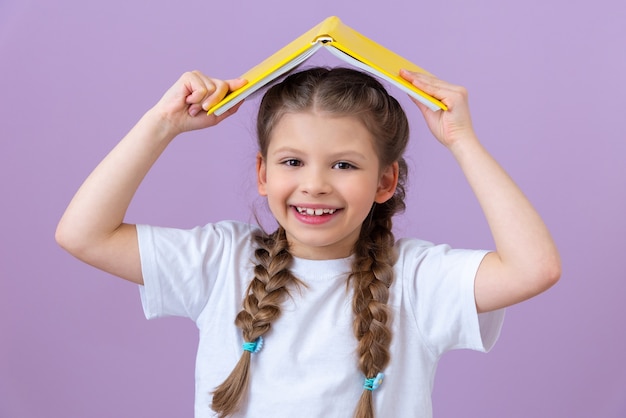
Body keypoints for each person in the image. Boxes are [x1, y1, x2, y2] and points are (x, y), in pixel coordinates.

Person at [56, 67, 561, 418]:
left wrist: (461, 141)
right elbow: (83, 234)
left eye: (344, 165)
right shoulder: (221, 261)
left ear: (386, 182)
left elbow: (533, 267)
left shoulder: (416, 278)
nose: (315, 184)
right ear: (262, 172)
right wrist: (162, 124)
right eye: (292, 161)